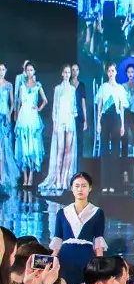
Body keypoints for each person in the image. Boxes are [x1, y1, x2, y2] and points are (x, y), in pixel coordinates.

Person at [50, 172, 106, 284]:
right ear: (72, 188)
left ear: (90, 188)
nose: (80, 189)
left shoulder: (97, 212)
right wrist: (51, 260)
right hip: (65, 257)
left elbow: (98, 240)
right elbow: (58, 240)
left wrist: (100, 265)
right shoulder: (62, 213)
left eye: (84, 186)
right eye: (77, 186)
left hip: (86, 257)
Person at [38, 65, 78, 196]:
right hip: (60, 120)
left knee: (68, 150)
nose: (67, 75)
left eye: (68, 73)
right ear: (62, 74)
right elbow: (55, 107)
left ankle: (65, 178)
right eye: (65, 72)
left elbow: (74, 106)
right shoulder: (57, 89)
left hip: (69, 120)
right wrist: (55, 123)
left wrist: (74, 113)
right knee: (60, 149)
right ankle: (58, 178)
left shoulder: (72, 89)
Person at [95, 63, 128, 193]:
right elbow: (99, 106)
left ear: (116, 72)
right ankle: (105, 184)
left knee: (115, 151)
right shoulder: (103, 87)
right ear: (107, 72)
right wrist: (98, 122)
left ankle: (114, 184)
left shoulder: (120, 88)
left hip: (116, 119)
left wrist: (122, 125)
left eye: (113, 71)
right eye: (109, 71)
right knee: (104, 150)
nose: (111, 73)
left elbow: (122, 108)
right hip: (105, 118)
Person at [14, 62, 47, 188]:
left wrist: (38, 108)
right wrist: (17, 115)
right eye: (27, 70)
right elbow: (19, 103)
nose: (29, 72)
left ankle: (31, 175)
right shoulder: (22, 86)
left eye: (31, 70)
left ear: (34, 72)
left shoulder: (38, 85)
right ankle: (25, 176)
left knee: (32, 146)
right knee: (24, 146)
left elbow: (45, 100)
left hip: (33, 117)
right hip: (23, 116)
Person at [0, 64, 18, 190]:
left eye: (2, 70)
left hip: (5, 119)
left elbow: (12, 103)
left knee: (5, 148)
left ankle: (3, 176)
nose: (1, 72)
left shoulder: (9, 85)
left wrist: (9, 114)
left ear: (5, 71)